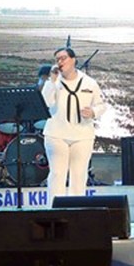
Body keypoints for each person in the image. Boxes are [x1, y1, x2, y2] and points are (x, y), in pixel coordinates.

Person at [41, 47, 106, 207]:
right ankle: (54, 209)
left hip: (82, 134)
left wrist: (93, 112)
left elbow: (101, 105)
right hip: (56, 134)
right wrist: (52, 81)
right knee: (57, 173)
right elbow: (45, 102)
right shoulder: (53, 83)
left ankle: (77, 210)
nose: (60, 62)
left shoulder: (89, 82)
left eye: (63, 58)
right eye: (57, 59)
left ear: (73, 60)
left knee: (79, 174)